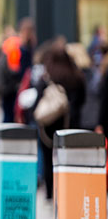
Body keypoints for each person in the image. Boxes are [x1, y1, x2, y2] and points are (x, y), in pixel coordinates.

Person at [34, 43, 87, 200]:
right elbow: (83, 99)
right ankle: (69, 192)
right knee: (70, 160)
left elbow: (37, 102)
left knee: (49, 159)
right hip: (71, 123)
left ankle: (51, 192)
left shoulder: (47, 77)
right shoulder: (76, 76)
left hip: (49, 126)